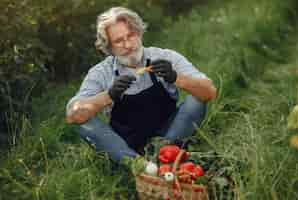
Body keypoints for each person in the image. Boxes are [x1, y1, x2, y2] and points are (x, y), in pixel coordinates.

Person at [66, 7, 217, 162]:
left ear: (139, 33)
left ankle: (163, 155)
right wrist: (108, 95)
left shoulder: (164, 56)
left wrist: (176, 77)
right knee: (85, 124)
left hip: (170, 134)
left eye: (130, 36)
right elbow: (72, 114)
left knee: (196, 100)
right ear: (109, 48)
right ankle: (138, 165)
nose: (127, 45)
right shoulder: (101, 72)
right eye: (118, 41)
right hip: (126, 145)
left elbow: (210, 91)